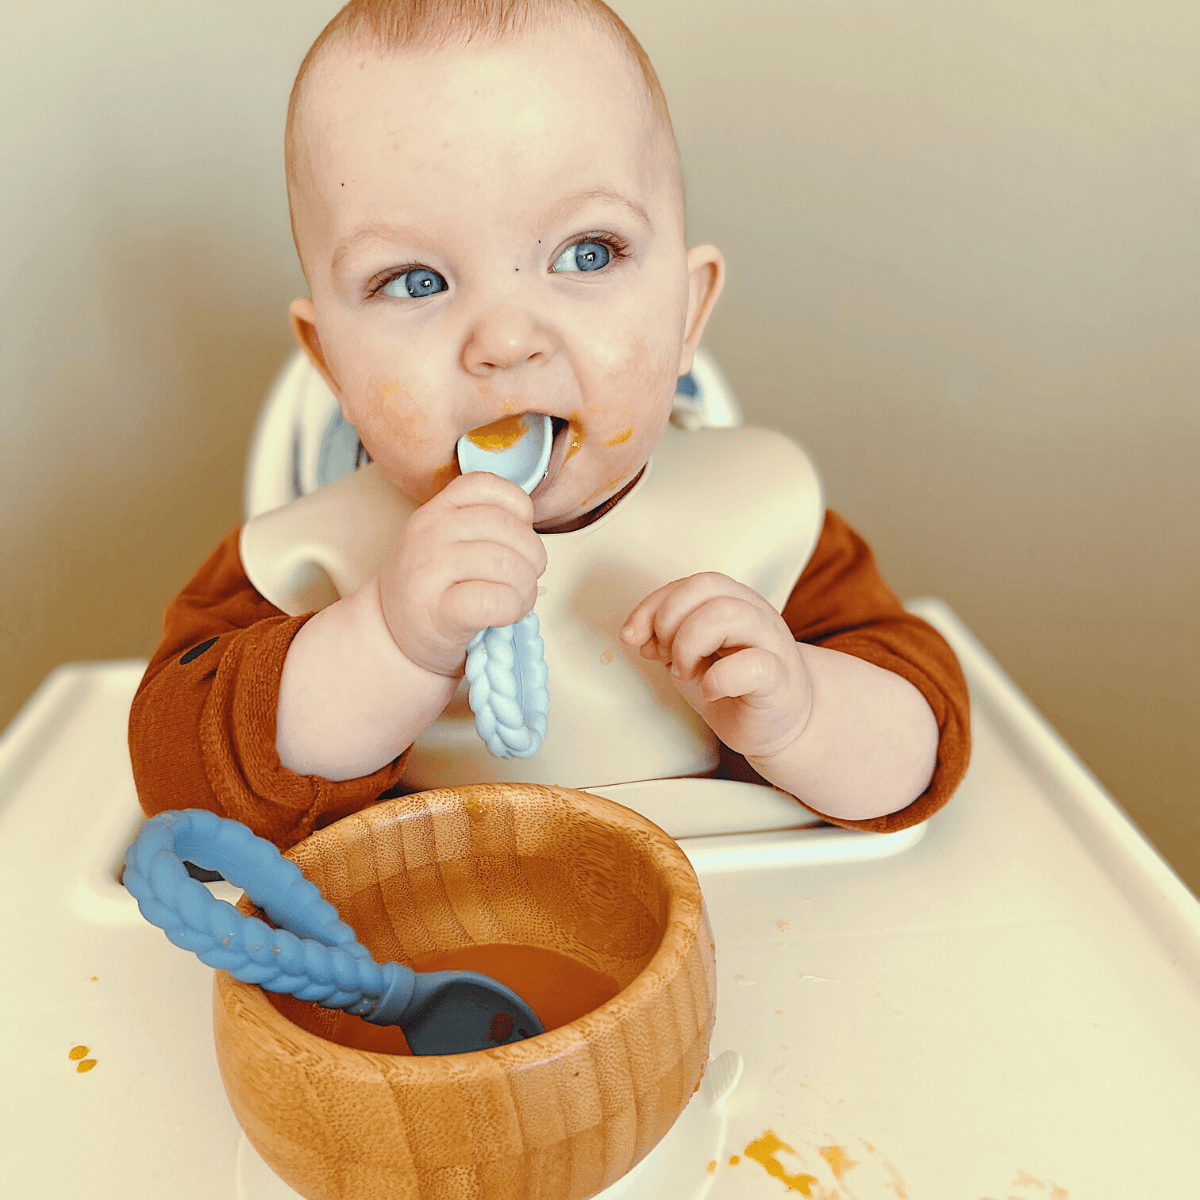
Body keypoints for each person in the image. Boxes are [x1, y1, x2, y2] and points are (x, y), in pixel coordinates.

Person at [129, 0, 969, 850]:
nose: (506, 340)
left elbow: (923, 739)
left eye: (586, 253)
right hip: (436, 942)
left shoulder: (758, 520)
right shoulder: (305, 565)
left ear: (687, 312)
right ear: (331, 365)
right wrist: (386, 644)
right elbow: (176, 777)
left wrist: (803, 712)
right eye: (416, 281)